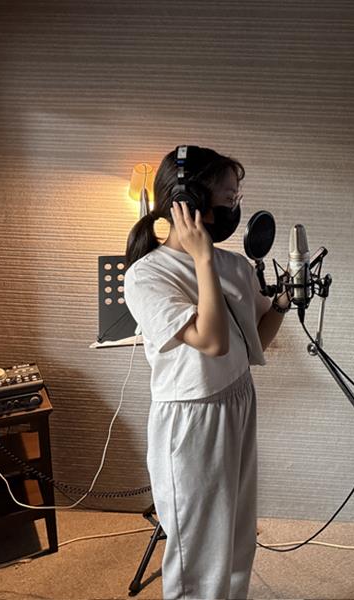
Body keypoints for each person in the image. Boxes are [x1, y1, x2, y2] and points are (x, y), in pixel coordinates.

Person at [123, 145, 290, 599]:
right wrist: (202, 260)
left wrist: (281, 303)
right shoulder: (146, 276)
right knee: (198, 546)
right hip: (191, 417)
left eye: (237, 199)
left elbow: (253, 341)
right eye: (228, 198)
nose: (235, 208)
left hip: (238, 399)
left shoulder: (234, 265)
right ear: (189, 203)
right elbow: (212, 341)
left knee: (236, 534)